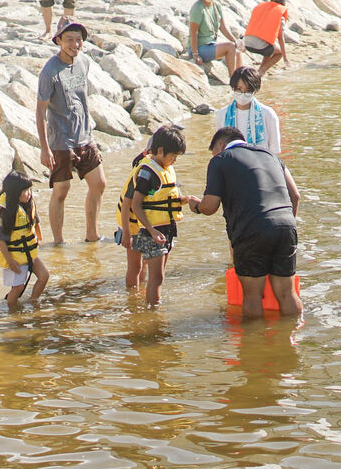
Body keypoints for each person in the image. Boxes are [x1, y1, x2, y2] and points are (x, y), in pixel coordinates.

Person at [195, 126, 302, 318]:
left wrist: (196, 206)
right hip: (286, 226)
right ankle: (291, 342)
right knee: (287, 293)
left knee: (252, 296)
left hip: (252, 230)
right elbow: (295, 195)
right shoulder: (271, 156)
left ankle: (253, 345)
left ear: (220, 145)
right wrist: (282, 225)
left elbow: (210, 206)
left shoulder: (220, 160)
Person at [35, 17, 107, 244]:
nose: (75, 44)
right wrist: (44, 149)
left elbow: (81, 99)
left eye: (78, 40)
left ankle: (92, 235)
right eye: (69, 40)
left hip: (84, 136)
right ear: (58, 41)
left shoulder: (84, 62)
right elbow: (40, 112)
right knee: (61, 190)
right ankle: (58, 242)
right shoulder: (49, 71)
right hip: (60, 140)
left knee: (99, 183)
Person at [116, 124, 200, 303]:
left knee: (154, 273)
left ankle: (143, 299)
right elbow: (131, 204)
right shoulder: (146, 172)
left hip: (159, 227)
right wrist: (127, 232)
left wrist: (186, 199)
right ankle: (135, 301)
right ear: (160, 151)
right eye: (174, 156)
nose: (175, 161)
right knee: (136, 267)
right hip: (134, 224)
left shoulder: (165, 169)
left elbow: (166, 198)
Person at [0, 171, 49, 305]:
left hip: (29, 253)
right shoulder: (7, 212)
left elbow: (36, 223)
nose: (29, 193)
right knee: (18, 287)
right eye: (25, 190)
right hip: (15, 257)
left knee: (44, 276)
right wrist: (10, 261)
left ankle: (33, 302)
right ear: (15, 192)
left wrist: (39, 239)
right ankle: (12, 312)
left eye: (30, 189)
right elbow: (0, 239)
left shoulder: (29, 204)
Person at [213, 66, 282, 155]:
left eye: (248, 91)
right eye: (239, 89)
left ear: (255, 91)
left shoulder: (268, 114)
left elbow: (274, 150)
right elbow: (219, 149)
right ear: (233, 88)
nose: (243, 95)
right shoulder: (222, 115)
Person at [189, 0, 241, 74]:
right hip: (199, 47)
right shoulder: (197, 8)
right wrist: (195, 54)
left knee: (237, 52)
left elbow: (223, 27)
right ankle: (233, 81)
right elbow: (193, 32)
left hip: (210, 44)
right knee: (230, 47)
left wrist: (234, 40)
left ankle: (241, 80)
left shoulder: (216, 5)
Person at [243, 0, 290, 76]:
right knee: (279, 53)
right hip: (259, 45)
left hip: (246, 42)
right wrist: (285, 58)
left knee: (270, 46)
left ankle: (260, 70)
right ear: (283, 3)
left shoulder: (262, 7)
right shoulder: (279, 13)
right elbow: (280, 38)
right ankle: (261, 71)